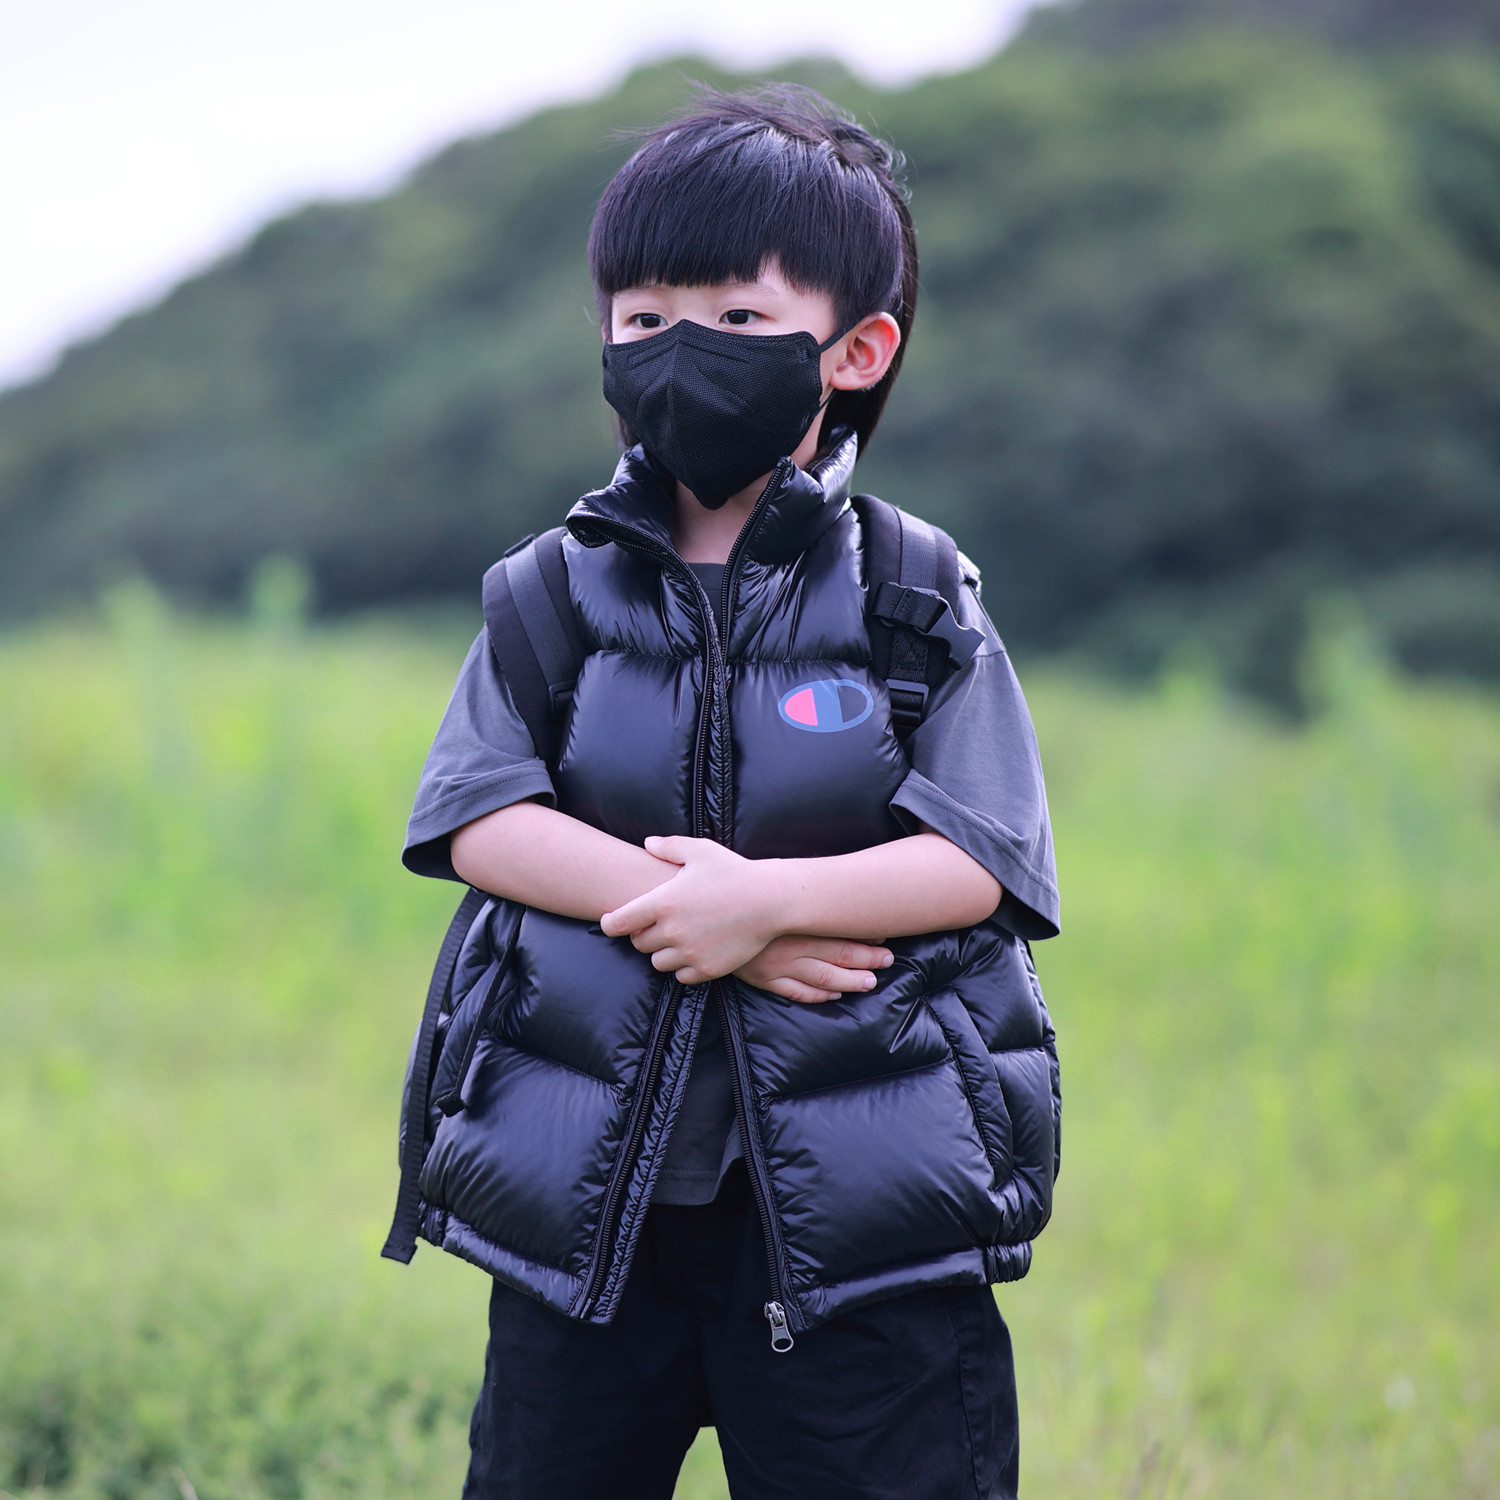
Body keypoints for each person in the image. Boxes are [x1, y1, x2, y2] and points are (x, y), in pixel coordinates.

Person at [398, 84, 1061, 1500]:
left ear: (856, 349)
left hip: (863, 1215)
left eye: (740, 317)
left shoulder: (913, 591)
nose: (682, 349)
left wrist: (769, 901)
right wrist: (707, 916)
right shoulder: (551, 587)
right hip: (590, 1207)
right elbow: (475, 814)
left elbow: (985, 855)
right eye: (644, 317)